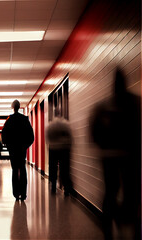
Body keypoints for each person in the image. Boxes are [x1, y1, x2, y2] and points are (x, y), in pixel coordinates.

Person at [90, 68, 141, 240]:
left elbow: (93, 132)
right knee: (131, 192)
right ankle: (131, 226)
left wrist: (102, 147)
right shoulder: (135, 103)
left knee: (110, 192)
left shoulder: (102, 106)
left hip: (108, 156)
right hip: (130, 156)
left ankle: (107, 229)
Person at [2, 100, 34, 201]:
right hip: (22, 149)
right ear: (19, 107)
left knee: (15, 170)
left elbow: (4, 136)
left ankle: (16, 194)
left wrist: (8, 146)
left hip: (13, 150)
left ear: (13, 107)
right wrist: (25, 146)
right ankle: (23, 194)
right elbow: (31, 136)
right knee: (23, 169)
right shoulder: (25, 119)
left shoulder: (9, 120)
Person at [46, 110, 73, 195]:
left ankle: (53, 186)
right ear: (60, 114)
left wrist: (50, 147)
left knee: (53, 168)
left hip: (53, 148)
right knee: (64, 168)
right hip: (64, 148)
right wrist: (69, 146)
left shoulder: (50, 125)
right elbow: (70, 137)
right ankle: (66, 188)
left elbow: (47, 138)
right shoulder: (66, 124)